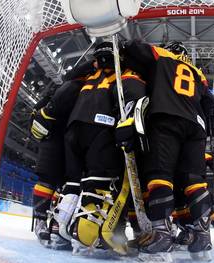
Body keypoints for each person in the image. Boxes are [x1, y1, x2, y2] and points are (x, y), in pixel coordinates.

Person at [119, 40, 214, 261]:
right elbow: (210, 105)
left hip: (166, 117)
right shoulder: (197, 72)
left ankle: (162, 234)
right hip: (196, 126)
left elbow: (134, 48)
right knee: (195, 181)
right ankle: (203, 236)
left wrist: (122, 43)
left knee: (160, 176)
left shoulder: (161, 54)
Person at [61, 42, 145, 255]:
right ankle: (90, 235)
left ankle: (60, 228)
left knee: (72, 184)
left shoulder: (88, 76)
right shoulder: (123, 74)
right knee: (102, 182)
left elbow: (66, 80)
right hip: (101, 128)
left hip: (73, 129)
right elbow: (135, 94)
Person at [29, 60, 96, 249]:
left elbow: (37, 116)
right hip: (59, 138)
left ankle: (58, 225)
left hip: (66, 138)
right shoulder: (75, 87)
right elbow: (41, 115)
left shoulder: (71, 86)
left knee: (65, 183)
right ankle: (45, 222)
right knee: (52, 181)